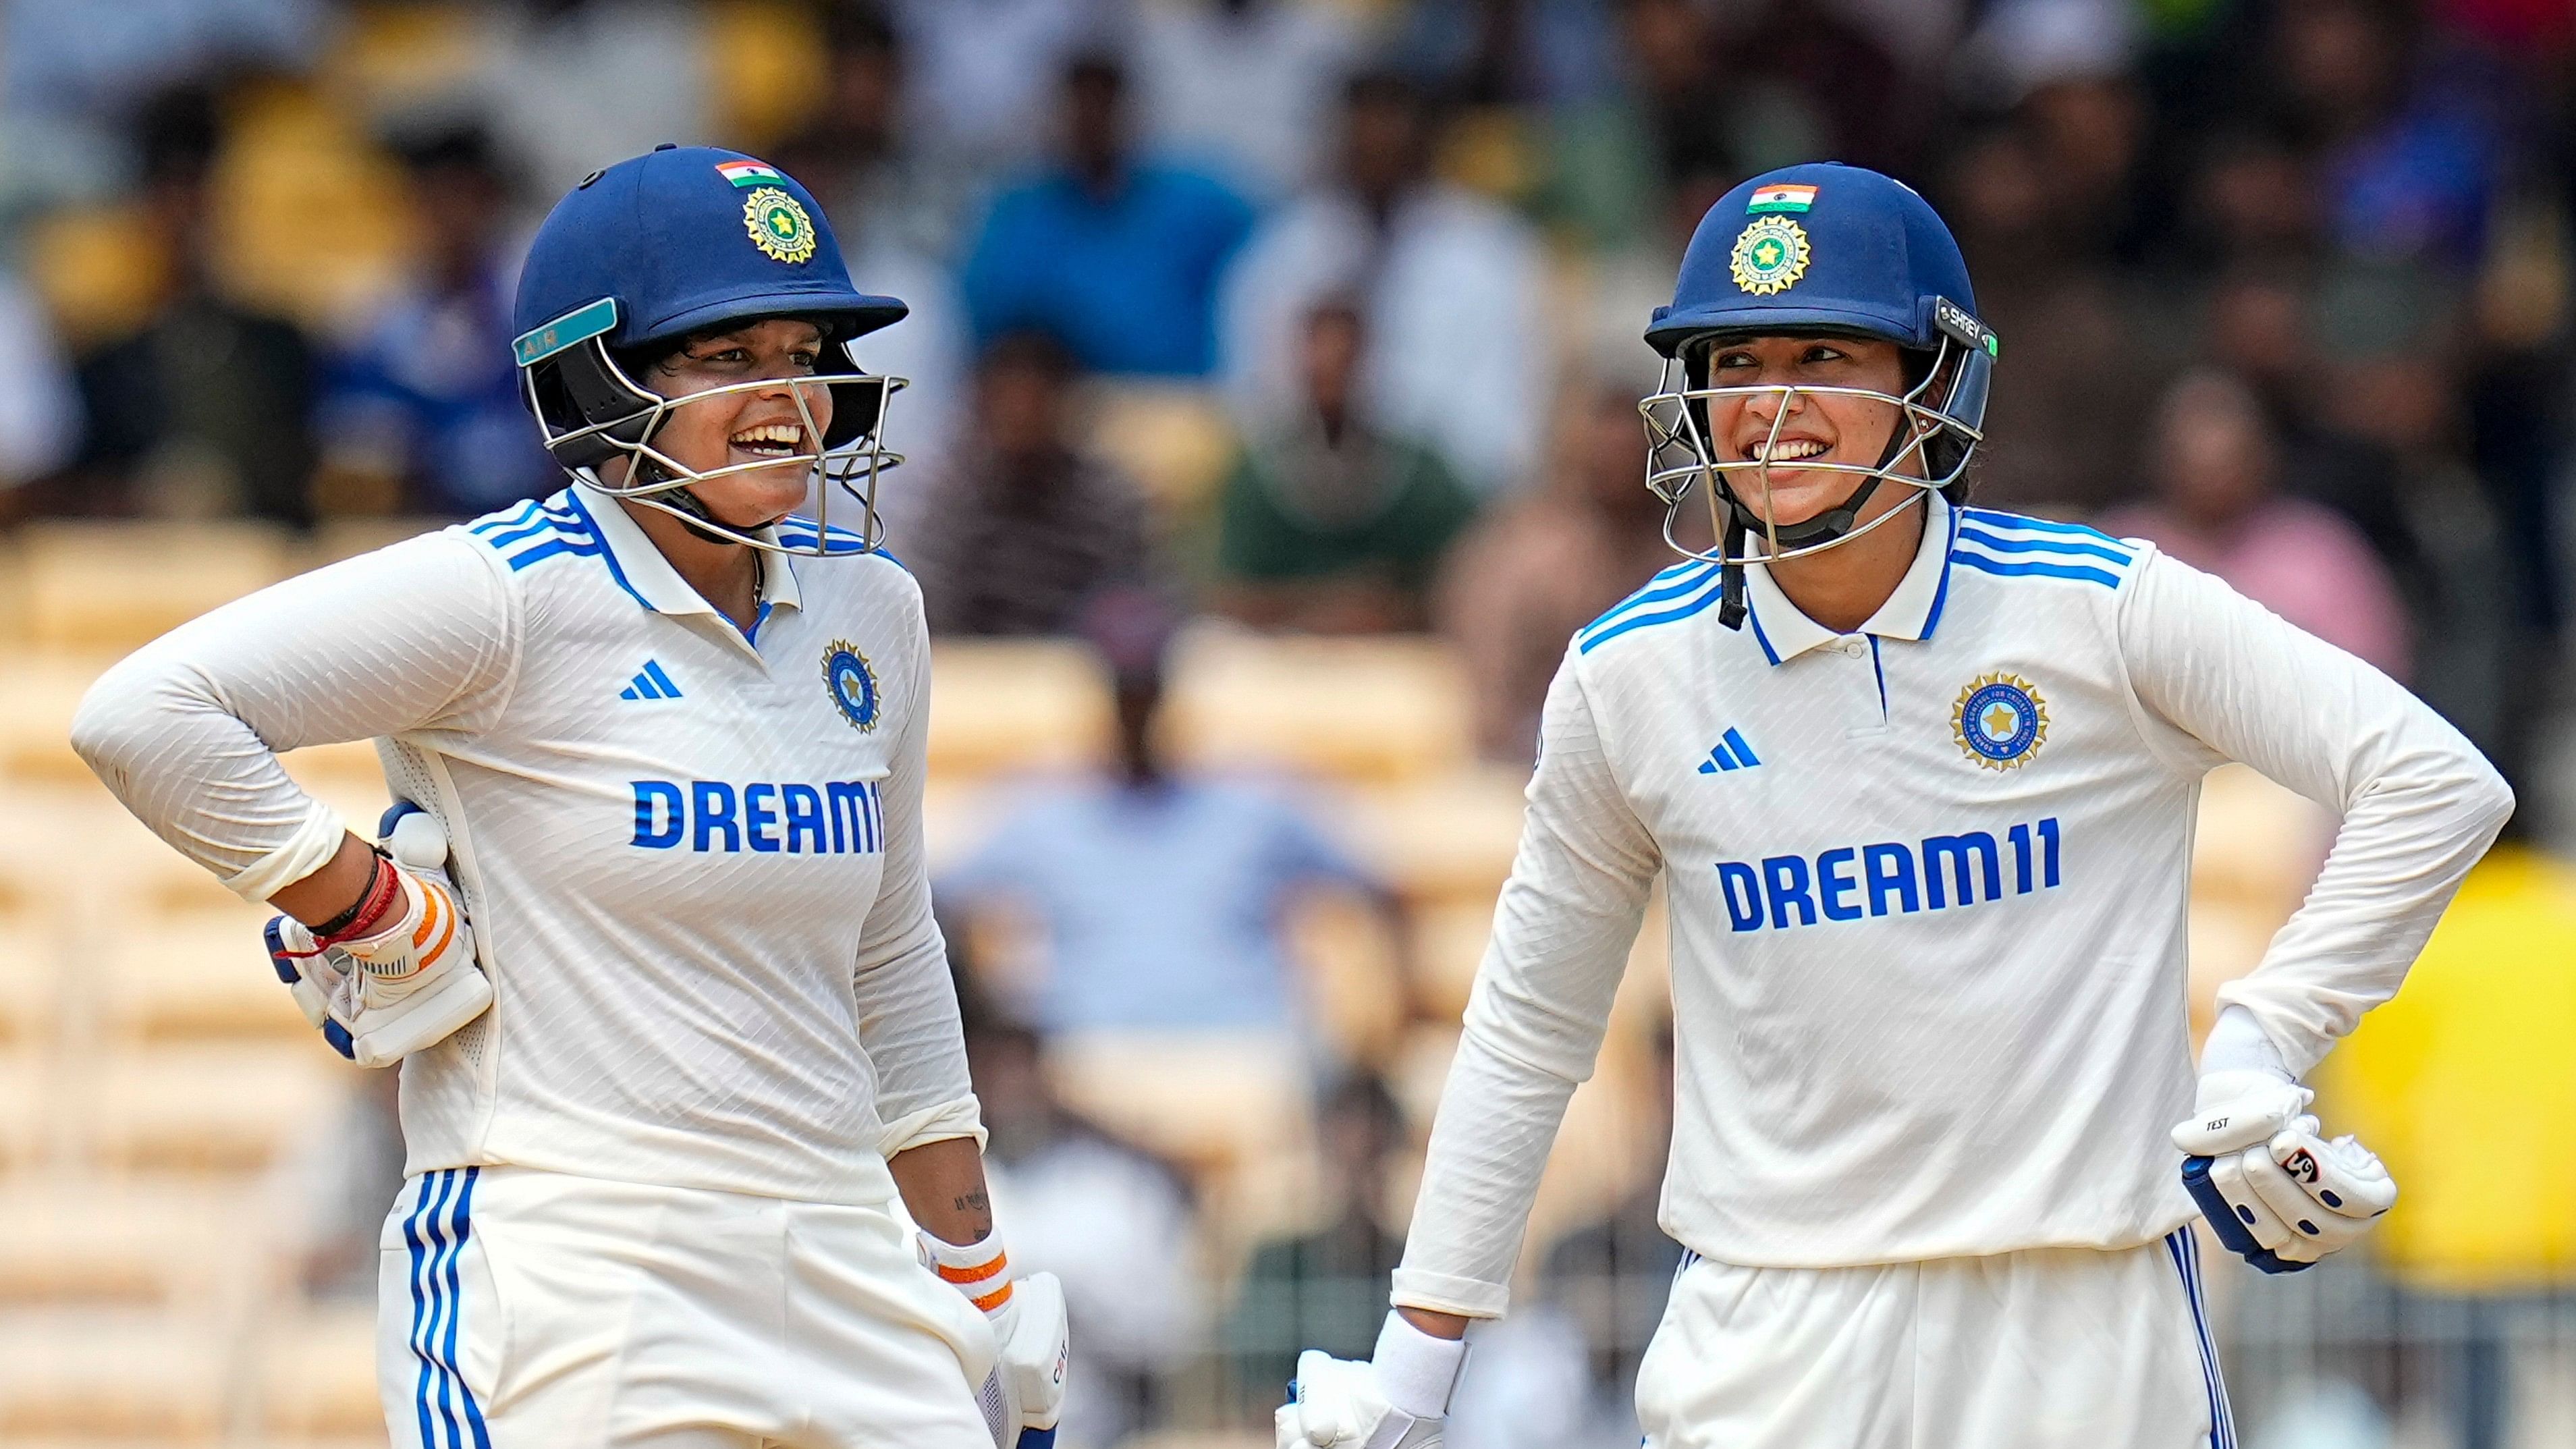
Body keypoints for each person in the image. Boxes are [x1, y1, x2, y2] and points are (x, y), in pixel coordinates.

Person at [1272, 162, 2514, 1449]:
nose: (1772, 406)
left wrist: (2265, 1035)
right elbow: (1529, 1030)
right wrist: (1412, 1374)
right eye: (1734, 361)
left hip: (2077, 1319)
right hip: (1774, 1327)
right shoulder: (1625, 675)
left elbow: (2432, 781)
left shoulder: (2096, 610)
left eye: (1824, 352)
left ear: (1934, 383)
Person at [72, 146, 1066, 1448]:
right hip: (579, 1259)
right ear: (604, 379)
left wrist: (970, 1266)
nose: (794, 398)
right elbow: (145, 714)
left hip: (843, 1254)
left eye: (805, 349)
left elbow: (890, 953)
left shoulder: (872, 607)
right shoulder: (506, 594)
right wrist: (367, 904)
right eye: (727, 356)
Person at [960, 50, 1256, 379]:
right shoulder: (1018, 218)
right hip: (1064, 407)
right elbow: (987, 333)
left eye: (1103, 106)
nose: (1091, 121)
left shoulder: (1201, 205)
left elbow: (1268, 276)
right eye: (1079, 107)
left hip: (1179, 403)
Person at [317, 122, 557, 517]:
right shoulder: (374, 319)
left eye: (463, 197)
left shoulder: (539, 301)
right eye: (432, 199)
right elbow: (363, 450)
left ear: (492, 202)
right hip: (423, 525)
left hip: (544, 517)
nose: (449, 217)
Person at [1213, 299, 1478, 634]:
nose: (1332, 381)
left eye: (1344, 365)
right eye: (1319, 371)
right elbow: (1231, 598)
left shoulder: (1421, 479)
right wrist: (1333, 608)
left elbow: (1468, 581)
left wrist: (1394, 609)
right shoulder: (1257, 479)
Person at [889, 328, 1154, 638]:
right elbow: (920, 611)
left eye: (1035, 403)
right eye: (1008, 402)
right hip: (969, 672)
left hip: (1075, 673)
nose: (1021, 417)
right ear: (981, 403)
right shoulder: (943, 497)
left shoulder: (1109, 502)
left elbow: (1144, 610)